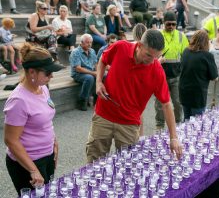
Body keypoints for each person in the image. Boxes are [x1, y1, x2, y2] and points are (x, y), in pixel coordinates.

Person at [86, 29, 183, 162]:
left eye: (156, 57)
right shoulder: (121, 47)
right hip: (103, 116)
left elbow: (166, 104)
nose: (152, 61)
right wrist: (98, 82)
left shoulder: (157, 70)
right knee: (94, 162)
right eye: (149, 55)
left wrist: (173, 138)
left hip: (129, 124)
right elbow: (103, 59)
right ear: (139, 45)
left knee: (127, 167)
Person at [3, 43, 64, 196]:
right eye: (48, 73)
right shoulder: (18, 101)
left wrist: (53, 142)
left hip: (47, 155)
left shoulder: (42, 88)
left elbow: (46, 119)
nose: (51, 76)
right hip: (27, 162)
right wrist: (33, 170)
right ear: (31, 72)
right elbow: (11, 140)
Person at [155, 11, 189, 129]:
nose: (171, 27)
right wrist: (158, 59)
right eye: (168, 24)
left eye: (173, 24)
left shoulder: (181, 36)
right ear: (163, 23)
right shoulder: (158, 35)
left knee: (178, 103)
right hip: (160, 76)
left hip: (176, 76)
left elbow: (186, 55)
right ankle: (160, 126)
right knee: (160, 104)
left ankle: (178, 126)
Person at [179, 30, 218, 120]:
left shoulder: (186, 51)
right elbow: (215, 77)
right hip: (198, 94)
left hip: (184, 91)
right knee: (197, 123)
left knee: (186, 119)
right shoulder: (207, 56)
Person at [69, 34, 98, 111]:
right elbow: (78, 69)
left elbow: (95, 64)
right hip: (78, 74)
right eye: (87, 42)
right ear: (81, 42)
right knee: (90, 78)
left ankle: (98, 98)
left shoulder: (92, 51)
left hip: (90, 72)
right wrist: (93, 73)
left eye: (90, 42)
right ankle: (82, 100)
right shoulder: (75, 52)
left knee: (103, 75)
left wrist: (98, 72)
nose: (89, 44)